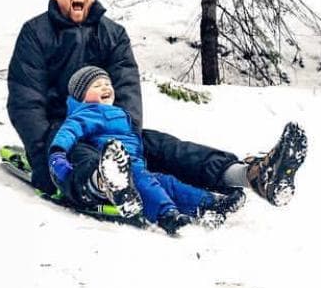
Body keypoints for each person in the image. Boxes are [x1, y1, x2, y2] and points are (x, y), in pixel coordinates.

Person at [6, 0, 306, 217]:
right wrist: (42, 154)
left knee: (169, 149)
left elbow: (127, 89)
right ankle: (103, 181)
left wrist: (129, 137)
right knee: (84, 156)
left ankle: (251, 175)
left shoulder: (113, 34)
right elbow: (25, 100)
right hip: (63, 131)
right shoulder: (36, 33)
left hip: (115, 128)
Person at [48, 66, 247, 234]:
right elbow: (68, 132)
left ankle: (208, 204)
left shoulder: (118, 113)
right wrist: (58, 152)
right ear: (81, 95)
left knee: (166, 183)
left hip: (135, 162)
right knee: (145, 183)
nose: (106, 87)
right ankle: (166, 214)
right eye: (97, 85)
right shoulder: (85, 113)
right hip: (116, 164)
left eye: (107, 83)